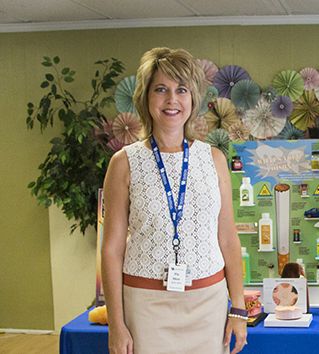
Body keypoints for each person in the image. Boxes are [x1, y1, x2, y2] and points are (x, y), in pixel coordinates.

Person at [100, 47, 247, 354]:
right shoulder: (124, 163)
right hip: (145, 306)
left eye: (181, 90)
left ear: (192, 98)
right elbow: (112, 249)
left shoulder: (214, 160)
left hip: (209, 305)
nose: (172, 100)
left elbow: (228, 239)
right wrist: (116, 324)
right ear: (145, 97)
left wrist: (238, 309)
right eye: (161, 90)